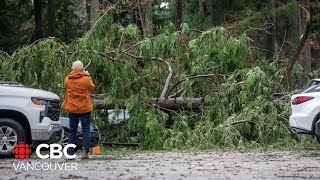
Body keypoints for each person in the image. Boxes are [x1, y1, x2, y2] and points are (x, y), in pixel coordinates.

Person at [61, 60, 95, 159]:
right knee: (86, 130)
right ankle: (85, 152)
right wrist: (87, 76)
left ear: (72, 69)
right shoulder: (86, 79)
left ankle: (70, 153)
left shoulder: (67, 79)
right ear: (82, 69)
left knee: (72, 130)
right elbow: (92, 88)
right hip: (85, 108)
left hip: (72, 108)